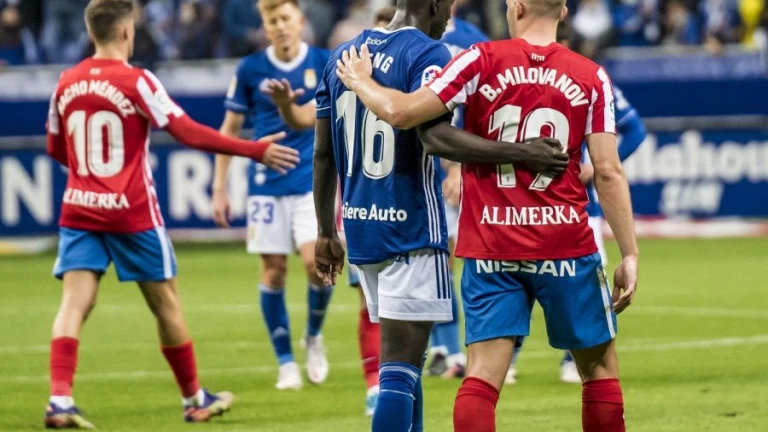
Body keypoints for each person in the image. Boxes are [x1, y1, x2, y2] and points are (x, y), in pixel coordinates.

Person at [334, 0, 640, 430]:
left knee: (481, 379)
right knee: (599, 372)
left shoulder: (479, 59)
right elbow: (608, 172)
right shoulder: (591, 76)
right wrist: (629, 253)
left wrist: (361, 81)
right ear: (563, 12)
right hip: (565, 244)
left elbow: (403, 113)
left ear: (517, 7)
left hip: (491, 245)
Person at [44, 0, 297, 429]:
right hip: (131, 214)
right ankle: (195, 399)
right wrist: (253, 149)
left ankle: (59, 400)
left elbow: (55, 148)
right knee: (166, 304)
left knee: (74, 303)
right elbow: (186, 131)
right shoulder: (137, 81)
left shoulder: (66, 82)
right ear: (127, 32)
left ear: (91, 33)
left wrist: (90, 179)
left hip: (80, 208)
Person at [507, 18, 647, 386]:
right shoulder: (519, 77)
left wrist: (593, 168)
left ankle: (573, 359)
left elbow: (635, 130)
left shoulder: (588, 78)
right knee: (522, 278)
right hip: (523, 201)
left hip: (577, 205)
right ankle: (509, 359)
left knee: (580, 279)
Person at [211, 0, 332, 391]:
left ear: (300, 21)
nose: (279, 26)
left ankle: (313, 336)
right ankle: (285, 362)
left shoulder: (323, 62)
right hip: (266, 184)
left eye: (285, 18)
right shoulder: (250, 69)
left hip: (311, 181)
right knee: (273, 271)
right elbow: (230, 129)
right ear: (264, 27)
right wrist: (219, 186)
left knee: (316, 265)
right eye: (272, 21)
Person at [427, 1, 490, 380]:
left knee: (456, 259)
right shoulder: (407, 34)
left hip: (456, 168)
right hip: (417, 168)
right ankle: (442, 349)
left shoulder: (473, 40)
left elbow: (480, 106)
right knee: (430, 263)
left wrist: (459, 167)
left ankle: (458, 351)